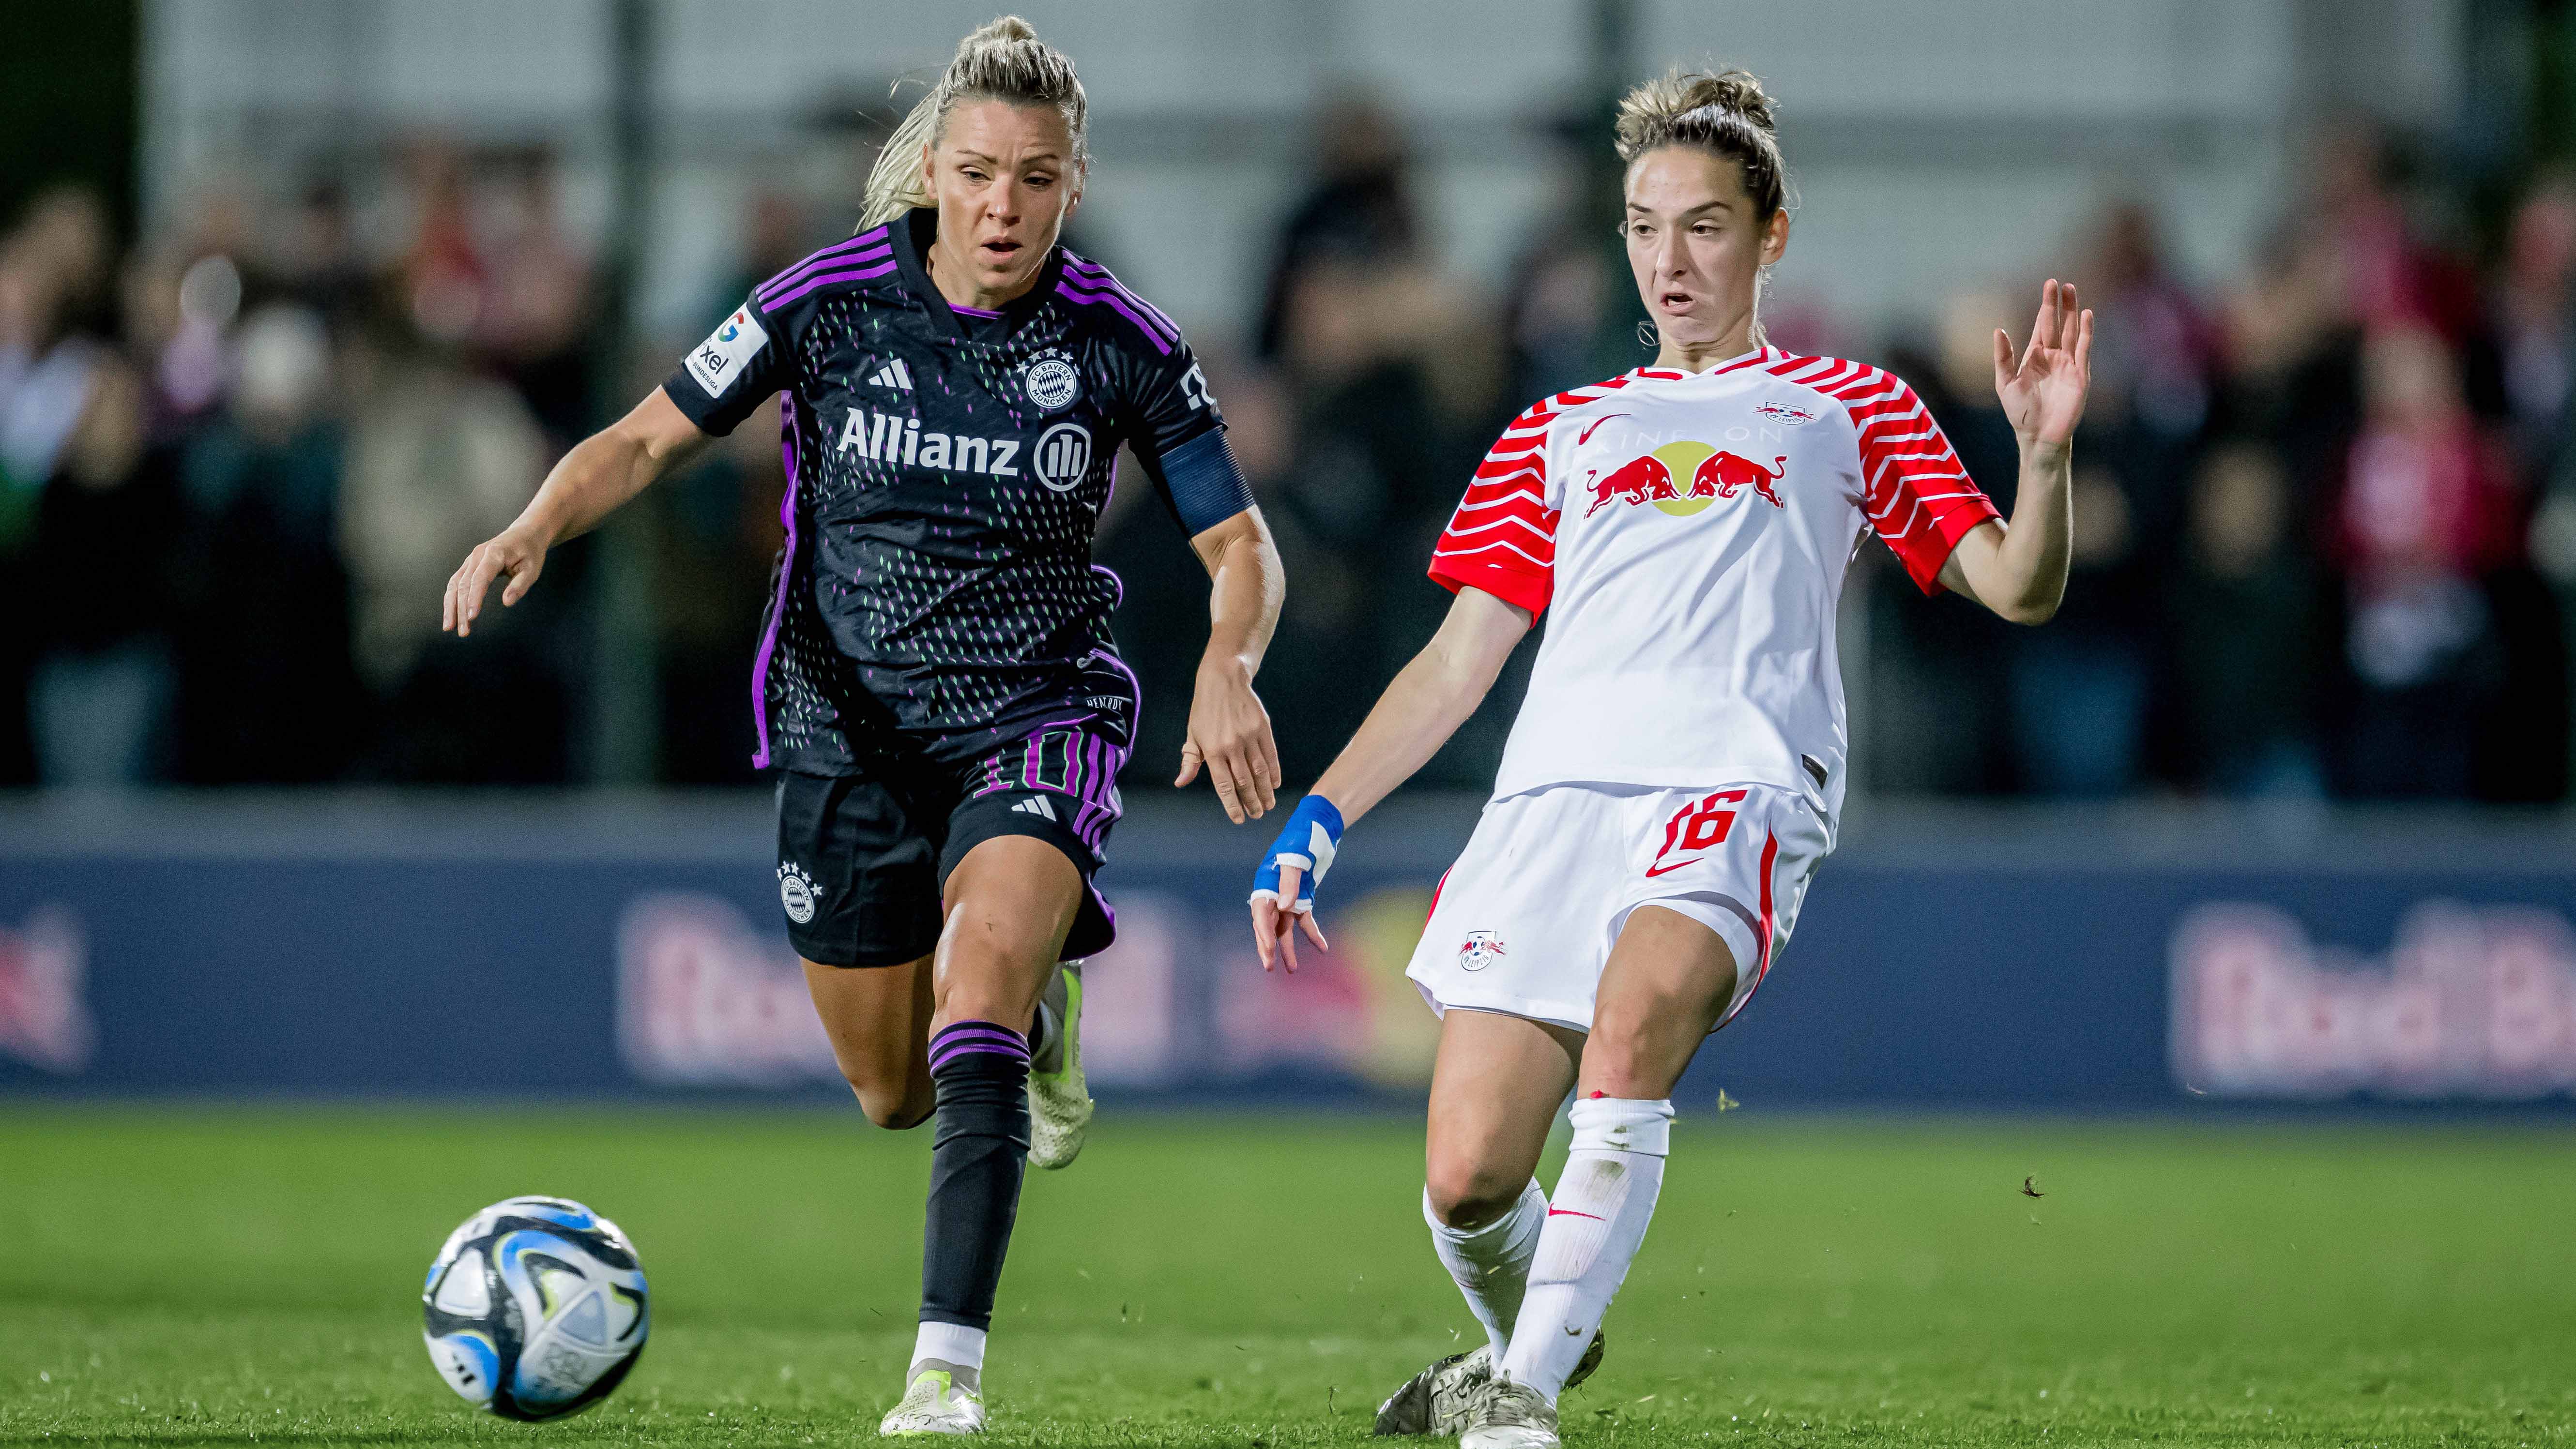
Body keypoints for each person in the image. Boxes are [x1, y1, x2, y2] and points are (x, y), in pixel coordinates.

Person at [443, 17, 1287, 1436]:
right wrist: (535, 521)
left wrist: (1230, 659)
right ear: (933, 174)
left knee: (979, 981)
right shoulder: (827, 297)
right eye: (976, 174)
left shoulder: (1121, 341)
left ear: (1072, 182)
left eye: (1033, 177)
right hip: (843, 731)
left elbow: (1241, 545)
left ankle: (942, 1374)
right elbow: (650, 435)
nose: (1002, 206)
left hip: (1035, 716)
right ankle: (1033, 1016)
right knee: (891, 1088)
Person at [1248, 69, 2090, 1449]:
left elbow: (2015, 585)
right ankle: (1531, 1345)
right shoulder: (1557, 430)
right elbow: (1456, 664)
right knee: (1464, 1175)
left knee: (1628, 1038)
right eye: (1645, 226)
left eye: (1703, 226)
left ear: (1768, 236)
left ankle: (1513, 1403)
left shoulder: (1845, 407)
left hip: (1735, 787)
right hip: (1551, 803)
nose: (1669, 258)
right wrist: (1317, 820)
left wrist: (2044, 458)